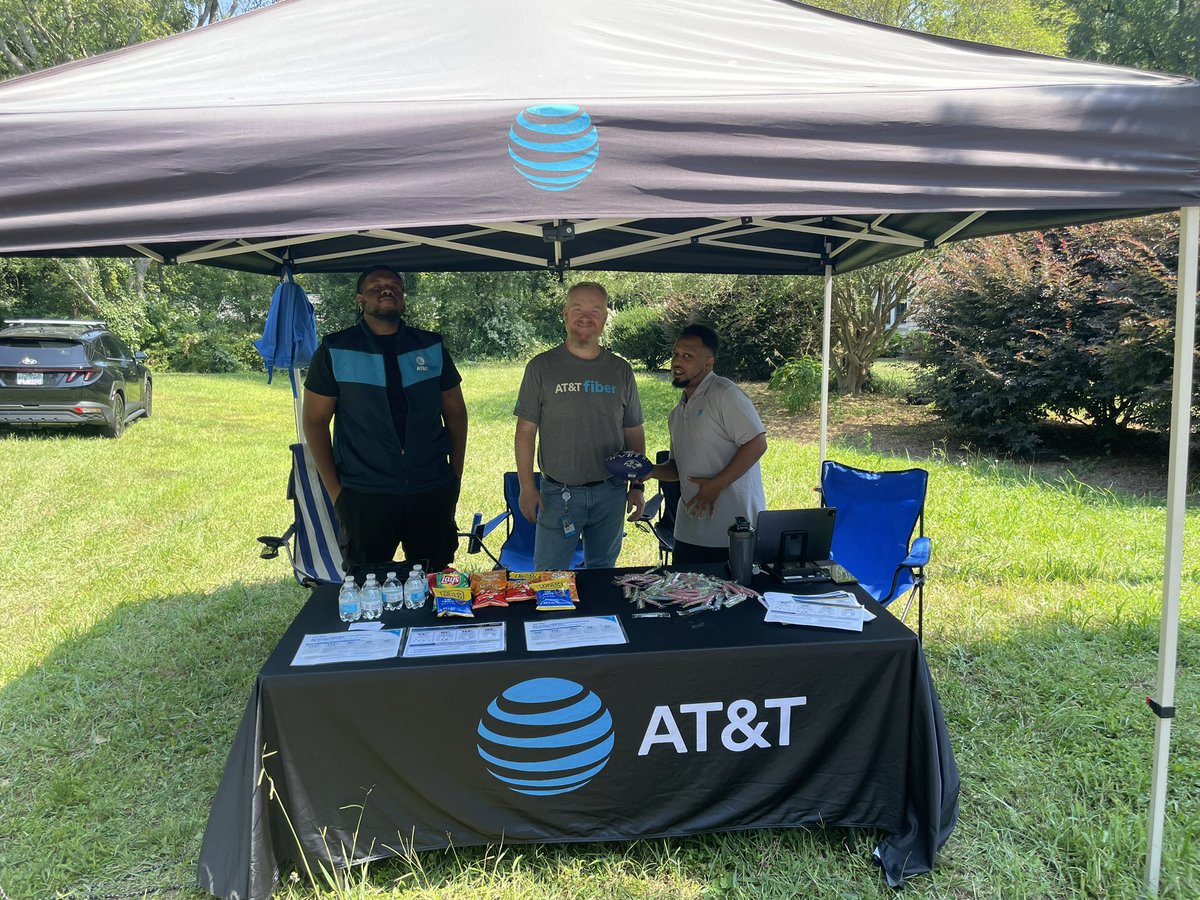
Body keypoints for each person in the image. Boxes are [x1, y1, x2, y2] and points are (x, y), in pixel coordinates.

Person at [302, 266, 468, 571]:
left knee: (435, 580)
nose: (386, 289)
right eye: (375, 286)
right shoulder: (336, 349)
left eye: (394, 285)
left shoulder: (430, 347)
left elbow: (456, 412)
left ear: (403, 298)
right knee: (367, 583)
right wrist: (337, 493)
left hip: (431, 487)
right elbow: (314, 421)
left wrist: (454, 476)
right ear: (359, 299)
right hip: (364, 492)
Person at [514, 281, 646, 570]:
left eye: (595, 311)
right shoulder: (541, 367)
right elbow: (525, 432)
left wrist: (636, 485)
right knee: (549, 577)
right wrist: (526, 486)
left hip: (611, 492)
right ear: (565, 313)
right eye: (578, 309)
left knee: (602, 574)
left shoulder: (621, 370)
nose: (586, 317)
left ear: (605, 317)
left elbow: (633, 432)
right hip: (557, 495)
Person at [650, 324, 767, 565]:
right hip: (687, 533)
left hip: (733, 533)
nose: (677, 362)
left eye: (687, 356)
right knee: (683, 589)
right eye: (675, 354)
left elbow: (757, 443)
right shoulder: (677, 413)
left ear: (708, 363)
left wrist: (716, 485)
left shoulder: (725, 394)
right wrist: (648, 471)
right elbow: (678, 469)